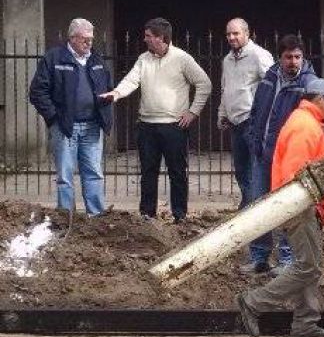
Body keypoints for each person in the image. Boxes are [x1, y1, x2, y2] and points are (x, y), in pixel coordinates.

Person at [235, 78, 324, 337]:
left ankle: (305, 323)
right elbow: (298, 175)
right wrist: (311, 205)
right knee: (309, 266)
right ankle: (253, 302)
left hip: (301, 205)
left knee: (309, 264)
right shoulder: (306, 126)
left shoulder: (304, 122)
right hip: (300, 206)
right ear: (321, 99)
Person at [99, 17, 211, 222]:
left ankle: (180, 215)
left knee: (177, 172)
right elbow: (132, 80)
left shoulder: (182, 59)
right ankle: (147, 215)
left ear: (162, 38)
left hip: (174, 127)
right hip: (147, 126)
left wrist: (193, 112)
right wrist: (115, 93)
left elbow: (204, 84)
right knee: (148, 172)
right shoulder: (144, 59)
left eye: (149, 36)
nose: (145, 39)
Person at [241, 34, 317, 275]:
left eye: (297, 57)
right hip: (262, 154)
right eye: (288, 57)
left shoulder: (309, 84)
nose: (293, 62)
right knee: (258, 204)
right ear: (279, 58)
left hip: (288, 159)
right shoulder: (270, 77)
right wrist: (253, 139)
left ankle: (287, 260)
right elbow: (256, 111)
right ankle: (259, 258)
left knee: (287, 207)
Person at [29, 18, 113, 216]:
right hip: (65, 127)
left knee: (93, 173)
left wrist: (105, 108)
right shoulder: (54, 58)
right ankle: (66, 218)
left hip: (92, 126)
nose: (89, 43)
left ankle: (96, 217)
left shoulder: (97, 61)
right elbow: (37, 92)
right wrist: (54, 118)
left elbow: (108, 88)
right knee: (65, 176)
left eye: (91, 39)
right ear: (72, 38)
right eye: (85, 39)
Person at [216, 17, 274, 210]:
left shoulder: (259, 55)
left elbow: (272, 85)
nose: (231, 37)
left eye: (236, 33)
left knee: (256, 167)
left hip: (253, 120)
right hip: (235, 121)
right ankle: (249, 203)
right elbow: (225, 89)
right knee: (241, 168)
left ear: (247, 34)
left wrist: (264, 114)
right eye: (228, 34)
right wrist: (222, 114)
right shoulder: (228, 59)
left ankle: (257, 206)